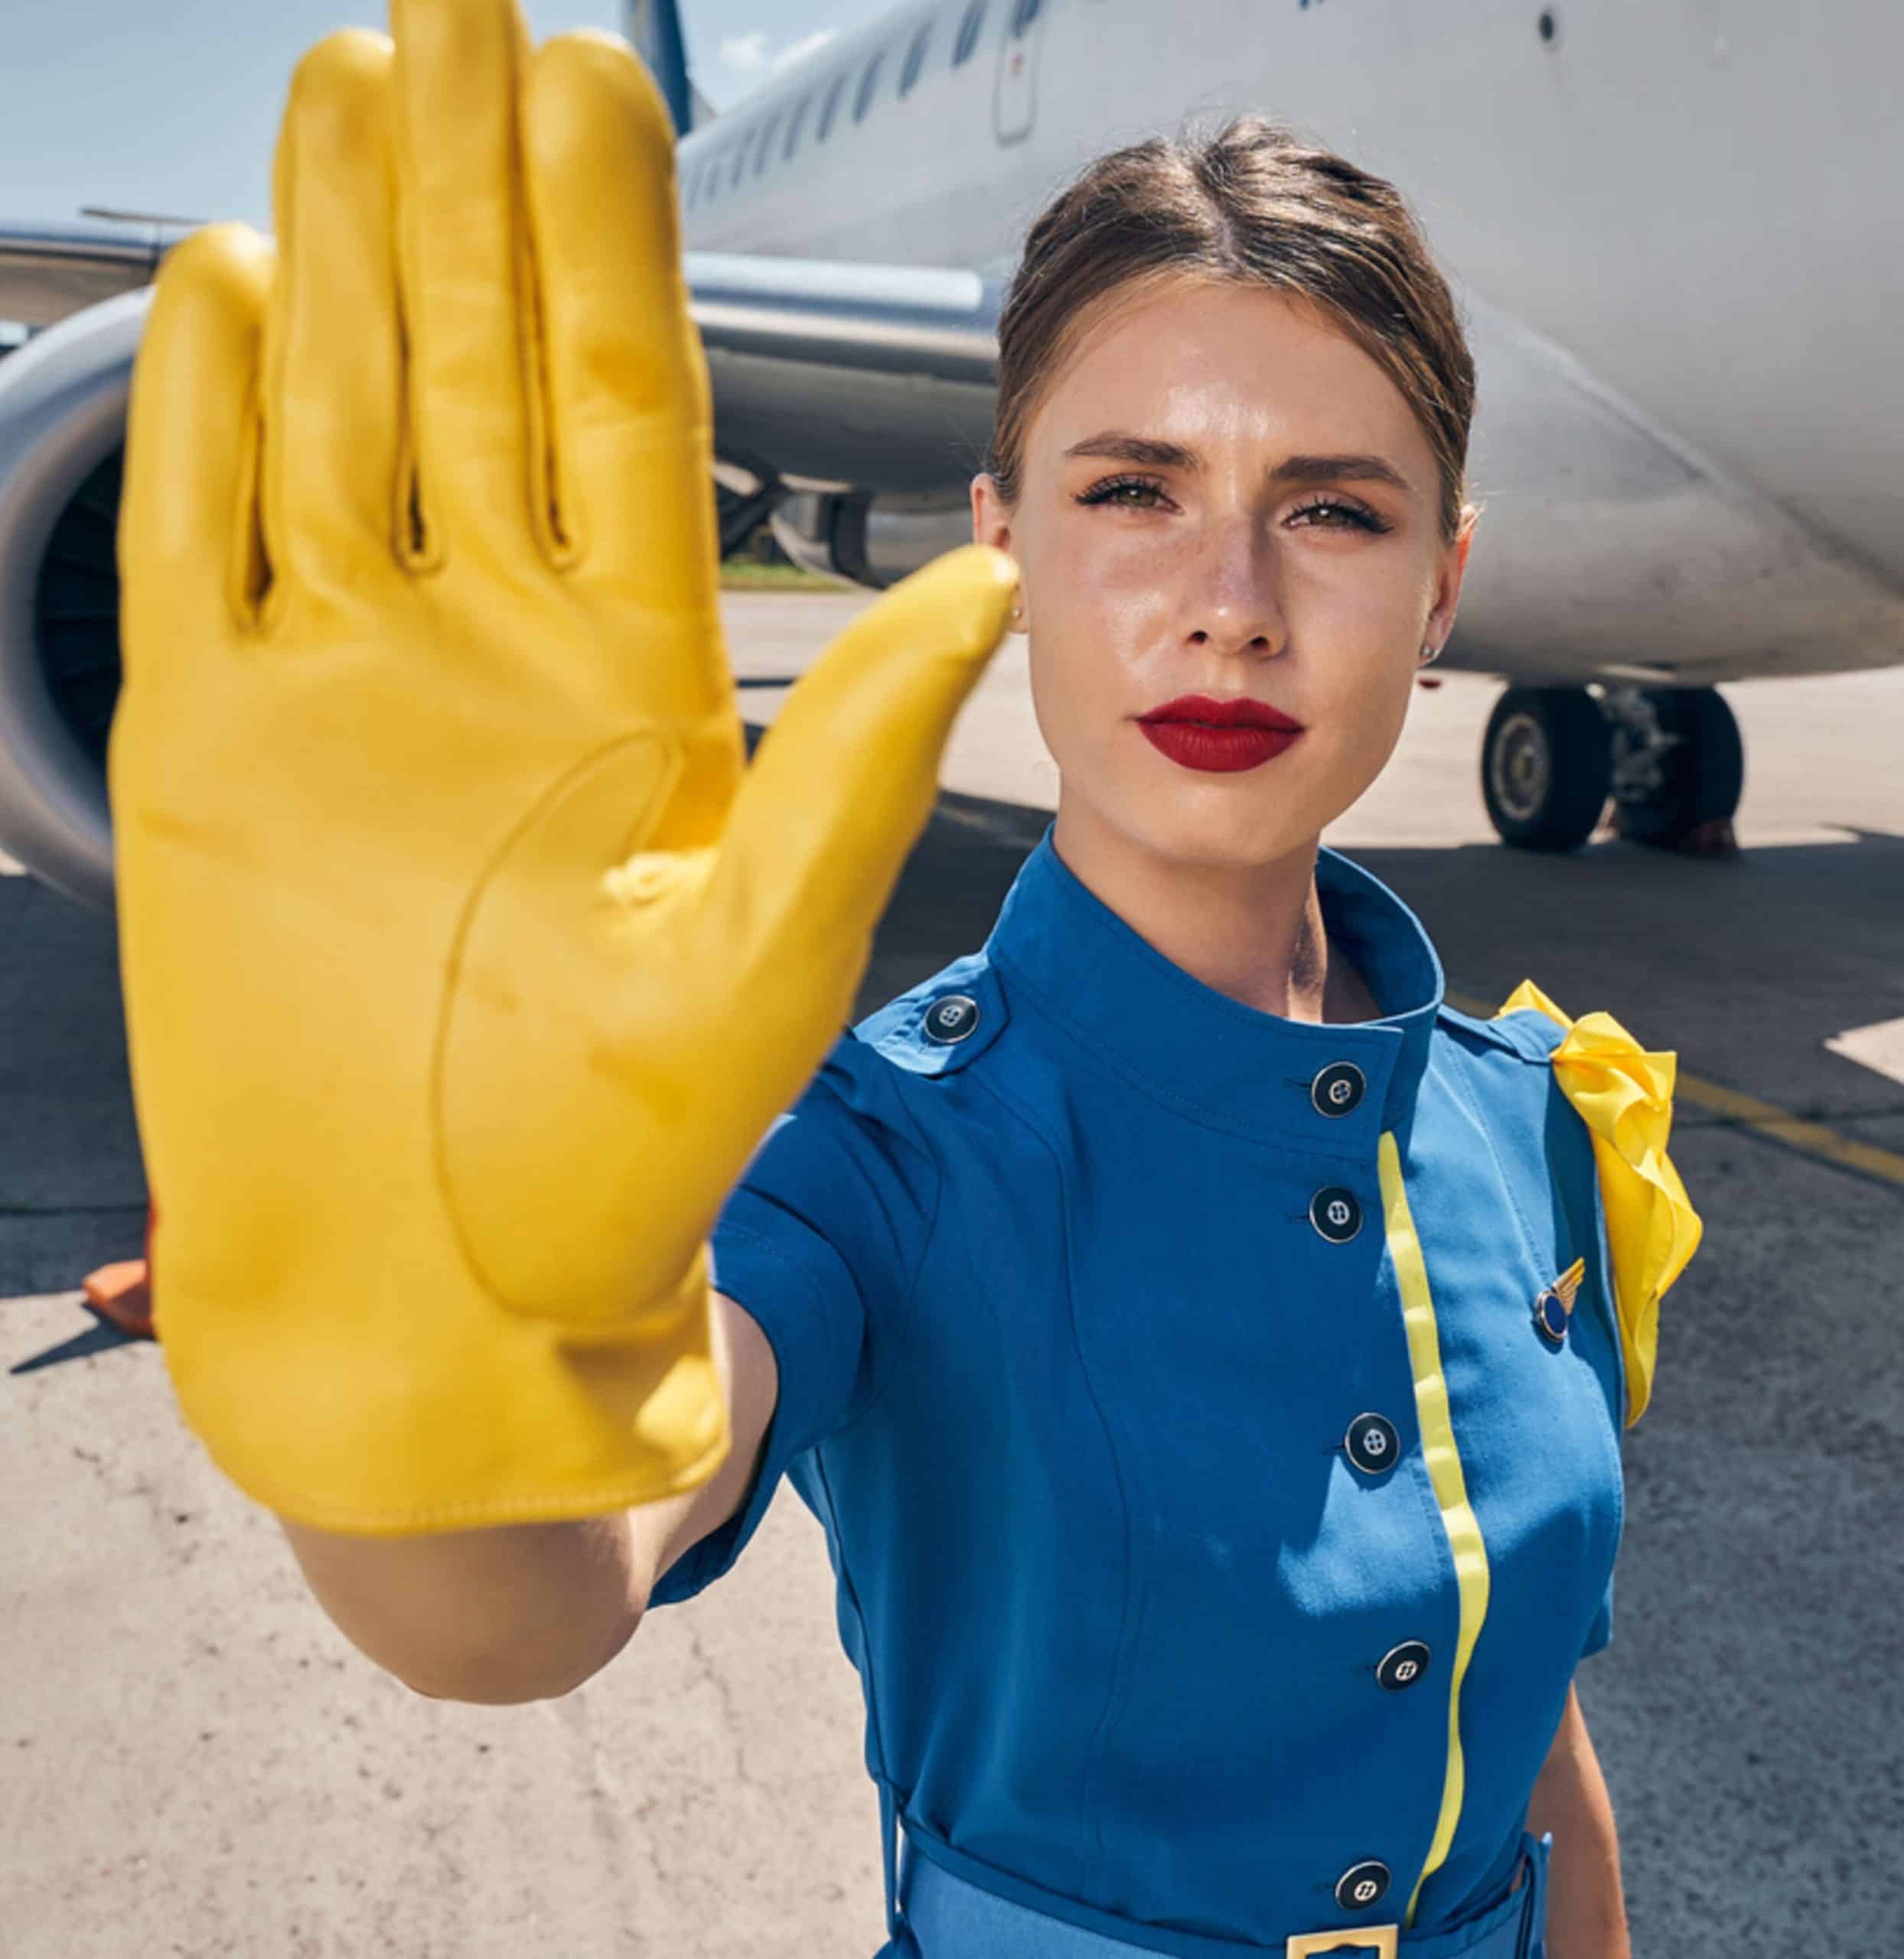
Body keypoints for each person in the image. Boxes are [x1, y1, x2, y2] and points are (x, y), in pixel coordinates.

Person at [109, 5, 1700, 1957]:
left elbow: (1530, 1740)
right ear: (999, 536)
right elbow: (556, 1589)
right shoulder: (885, 1147)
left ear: (1441, 585)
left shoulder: (1523, 1115)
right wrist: (405, 1418)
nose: (1230, 598)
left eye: (1332, 508)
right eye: (1129, 490)